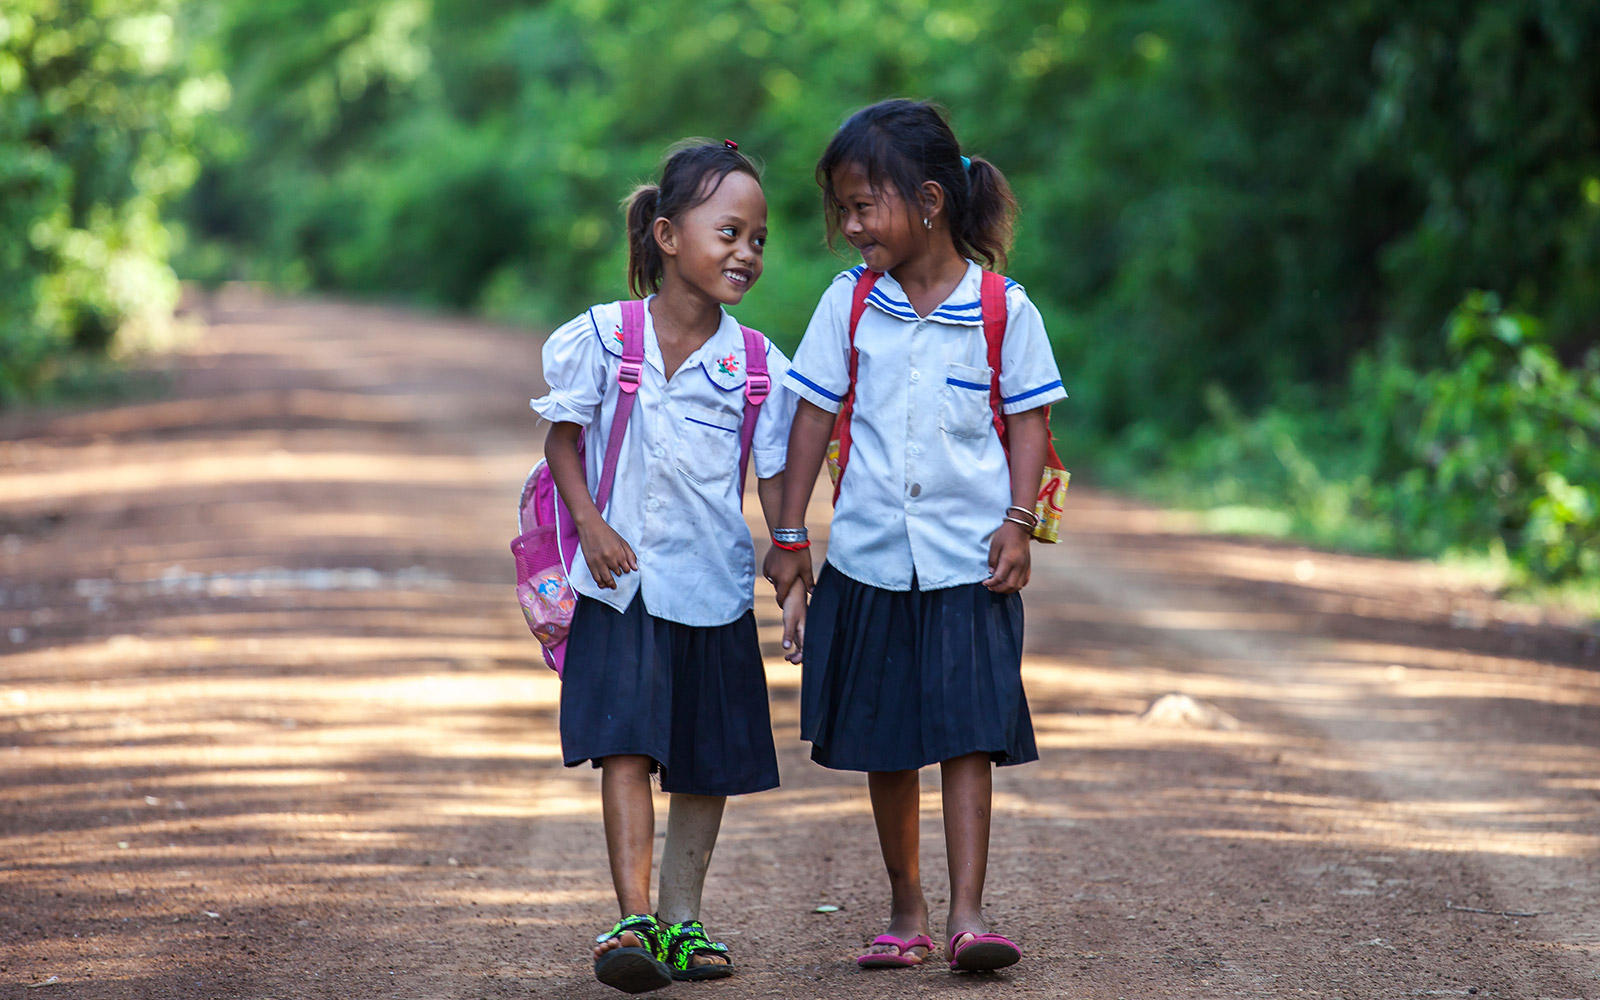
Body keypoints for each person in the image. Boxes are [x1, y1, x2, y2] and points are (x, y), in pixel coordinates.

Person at [765, 100, 1066, 974]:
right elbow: (813, 413)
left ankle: (971, 914)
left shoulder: (1004, 309)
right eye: (844, 210)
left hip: (969, 562)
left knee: (969, 734)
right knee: (886, 740)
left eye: (864, 207)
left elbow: (1028, 424)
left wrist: (1017, 525)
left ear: (929, 199)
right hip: (865, 561)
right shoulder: (849, 303)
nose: (851, 227)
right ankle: (908, 911)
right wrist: (789, 532)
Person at [532, 139, 801, 993]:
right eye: (728, 232)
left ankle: (685, 921)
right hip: (622, 587)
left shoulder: (758, 366)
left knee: (704, 760)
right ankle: (634, 917)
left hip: (714, 591)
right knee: (625, 745)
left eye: (758, 239)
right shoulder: (607, 339)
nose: (746, 253)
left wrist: (791, 568)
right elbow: (564, 438)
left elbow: (773, 488)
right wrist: (591, 523)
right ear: (667, 234)